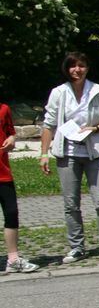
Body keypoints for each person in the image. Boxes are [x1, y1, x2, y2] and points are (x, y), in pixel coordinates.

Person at [39, 53, 99, 264]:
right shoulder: (59, 93)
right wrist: (43, 154)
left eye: (81, 66)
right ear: (67, 69)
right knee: (70, 203)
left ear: (87, 68)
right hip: (68, 154)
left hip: (96, 152)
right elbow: (49, 124)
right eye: (73, 66)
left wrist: (95, 128)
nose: (77, 70)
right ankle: (77, 247)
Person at [1, 101, 38, 274]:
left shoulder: (4, 108)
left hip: (3, 173)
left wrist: (11, 139)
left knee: (11, 213)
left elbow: (11, 133)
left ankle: (13, 259)